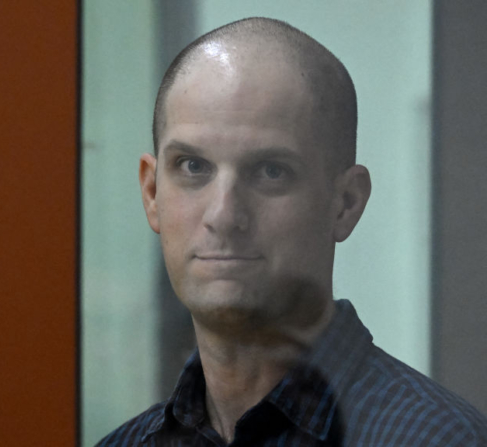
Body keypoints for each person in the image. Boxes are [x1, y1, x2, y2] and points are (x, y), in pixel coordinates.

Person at [97, 17, 487, 447]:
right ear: (152, 193)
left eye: (271, 171)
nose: (224, 215)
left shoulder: (436, 440)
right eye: (193, 167)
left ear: (346, 203)